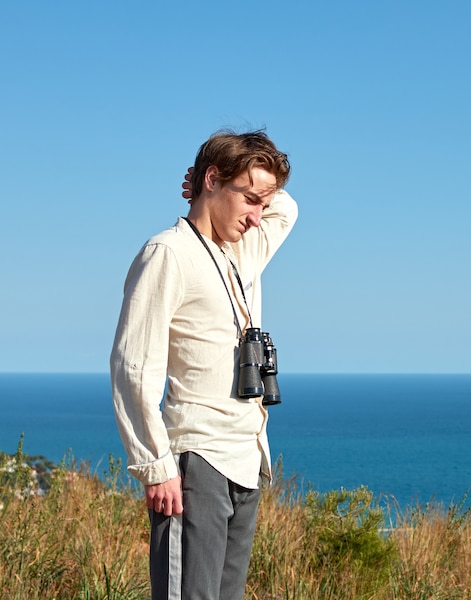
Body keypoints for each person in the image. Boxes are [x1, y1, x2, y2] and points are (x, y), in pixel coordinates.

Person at [110, 129, 298, 600]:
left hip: (247, 457)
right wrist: (156, 466)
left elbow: (288, 208)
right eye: (250, 200)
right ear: (214, 179)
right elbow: (133, 367)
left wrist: (226, 187)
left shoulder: (241, 253)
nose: (258, 218)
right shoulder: (168, 253)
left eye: (262, 204)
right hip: (196, 461)